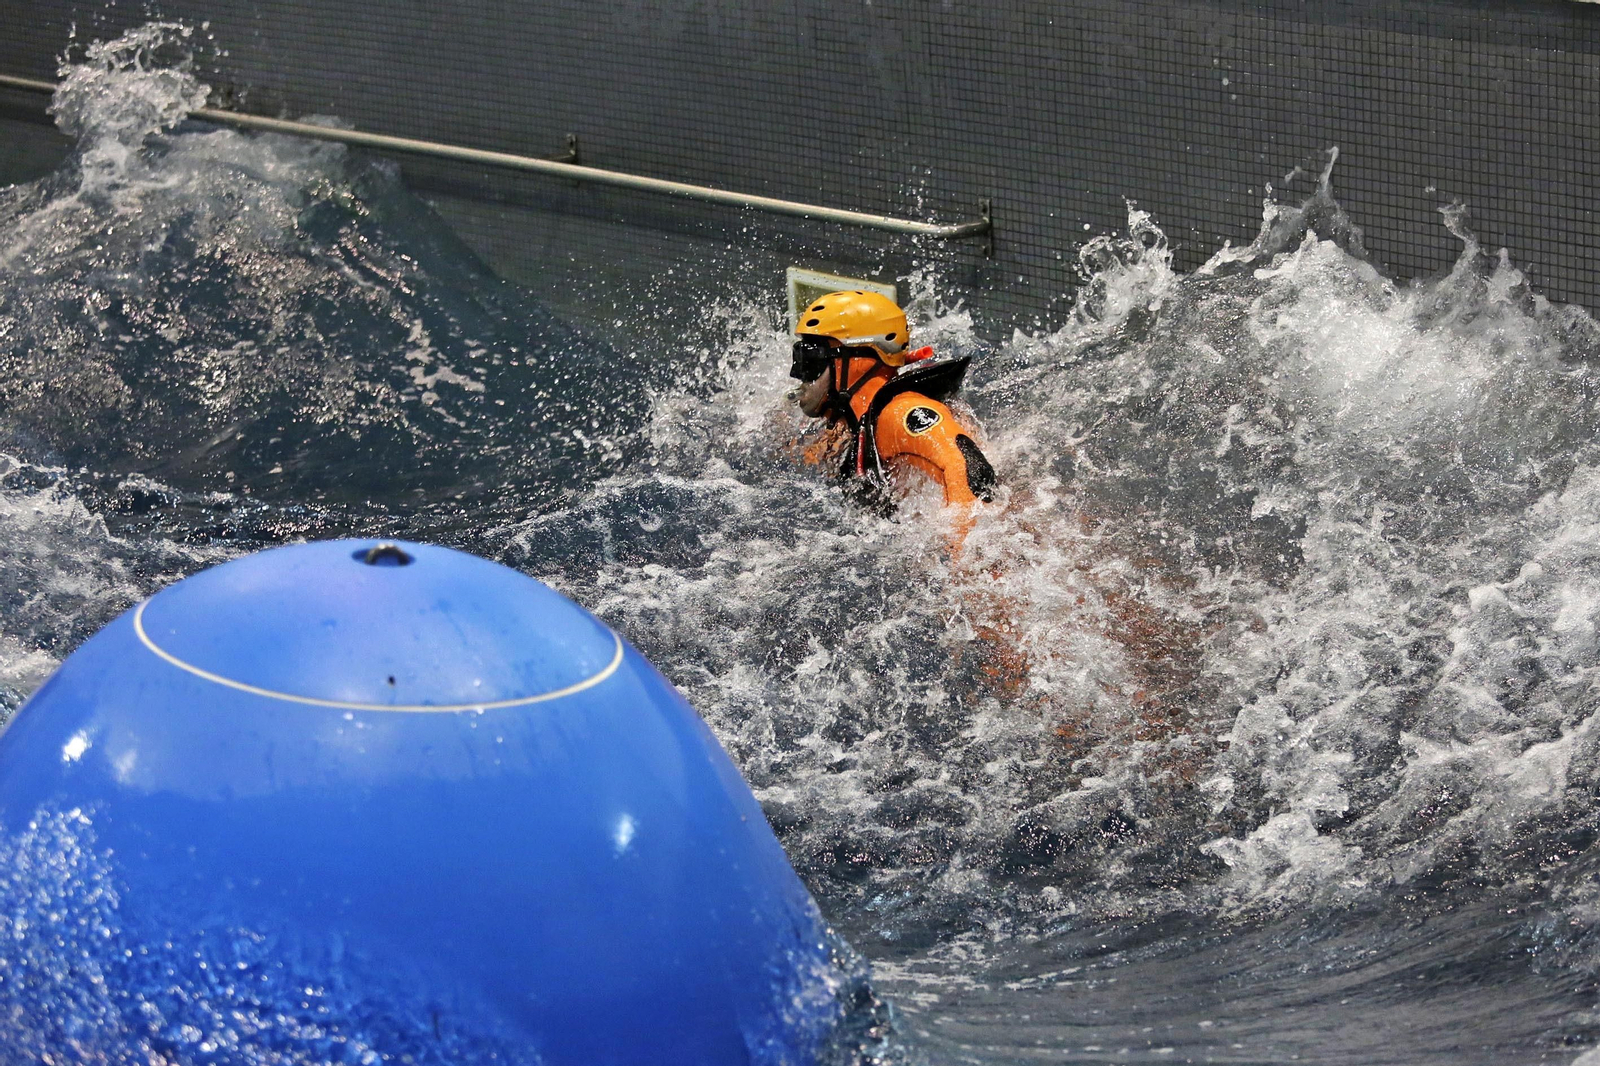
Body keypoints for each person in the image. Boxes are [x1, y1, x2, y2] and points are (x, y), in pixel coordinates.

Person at [788, 290, 997, 529]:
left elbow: (968, 467)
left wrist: (968, 561)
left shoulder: (899, 413)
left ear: (856, 362)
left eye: (809, 361)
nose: (797, 375)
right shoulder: (854, 426)